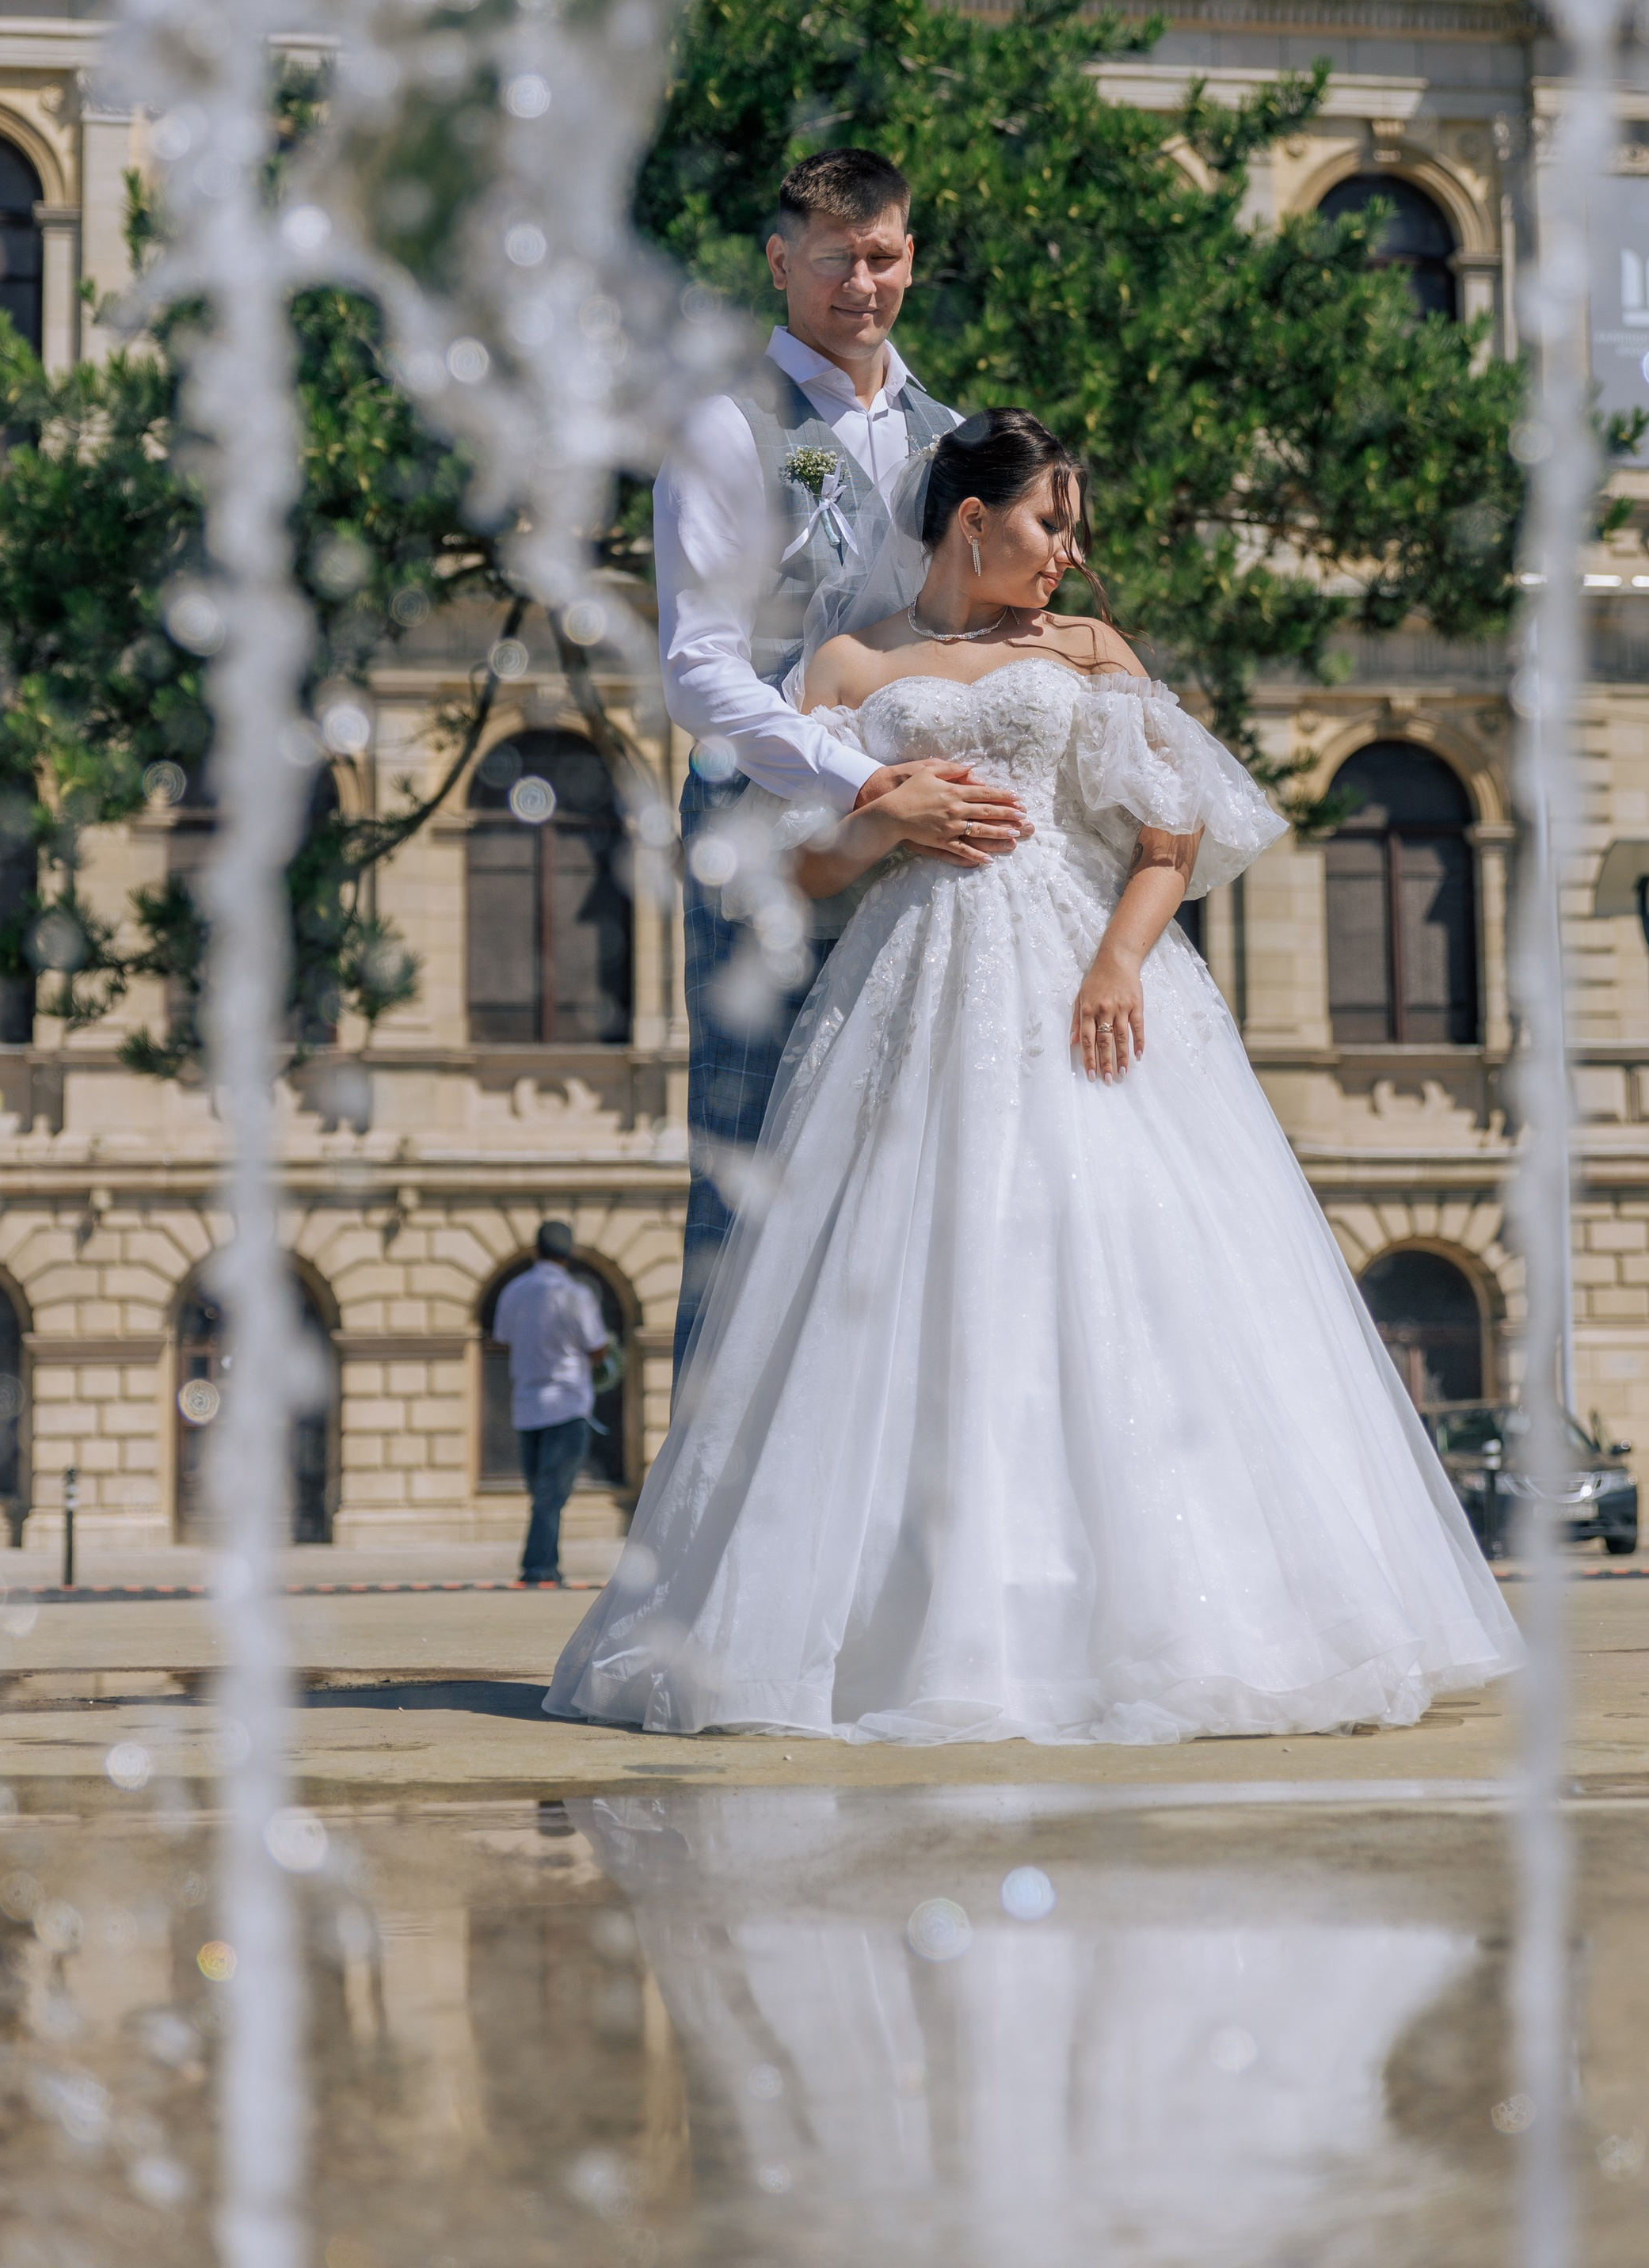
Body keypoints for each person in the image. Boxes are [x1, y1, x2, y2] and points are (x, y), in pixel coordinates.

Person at [550, 409, 1519, 1742]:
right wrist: (879, 818)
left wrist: (1119, 967)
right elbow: (796, 869)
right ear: (972, 520)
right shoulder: (846, 663)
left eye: (1073, 530)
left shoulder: (1088, 652)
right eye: (1051, 522)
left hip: (1081, 980)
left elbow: (1172, 837)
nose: (1068, 552)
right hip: (912, 984)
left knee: (1124, 1279)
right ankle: (911, 1626)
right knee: (910, 1284)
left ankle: (1170, 1619)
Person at [656, 146, 1027, 1381]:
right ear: (780, 262)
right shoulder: (728, 429)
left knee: (906, 1169)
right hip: (765, 841)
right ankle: (695, 1539)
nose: (861, 284)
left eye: (882, 256)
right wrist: (860, 782)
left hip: (920, 838)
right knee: (753, 1164)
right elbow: (699, 669)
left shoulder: (948, 437)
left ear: (911, 255)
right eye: (834, 259)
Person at [494, 1221, 611, 1589]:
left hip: (527, 1405)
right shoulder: (575, 1295)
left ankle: (545, 1563)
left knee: (542, 1494)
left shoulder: (513, 1291)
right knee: (551, 1495)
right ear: (569, 1253)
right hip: (567, 1404)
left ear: (536, 1251)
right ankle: (539, 1567)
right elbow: (596, 1347)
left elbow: (504, 1339)